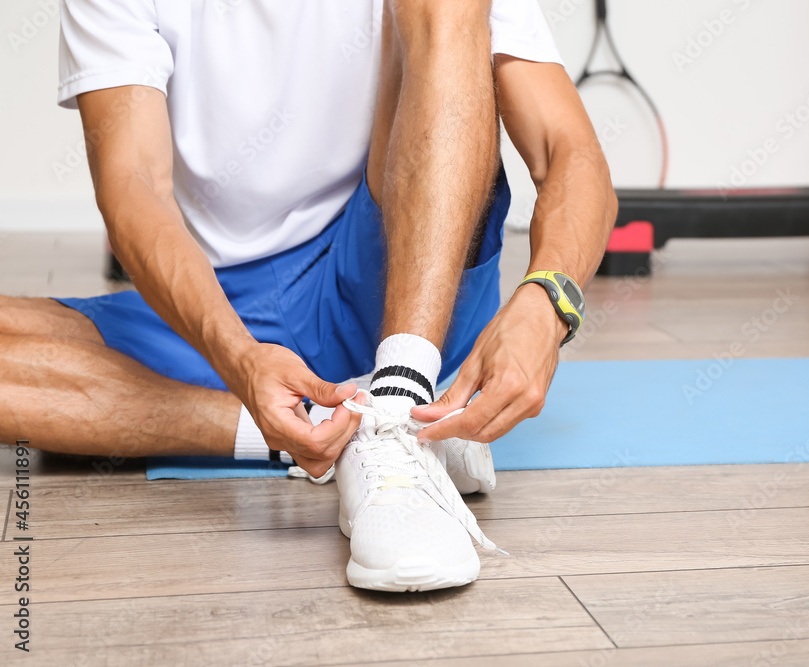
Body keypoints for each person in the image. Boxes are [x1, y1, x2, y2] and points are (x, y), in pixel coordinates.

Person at [0, 0, 615, 591]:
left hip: (392, 274)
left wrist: (547, 302)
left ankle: (399, 401)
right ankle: (329, 435)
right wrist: (238, 357)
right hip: (217, 311)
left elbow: (570, 151)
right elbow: (134, 188)